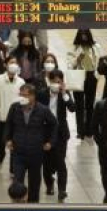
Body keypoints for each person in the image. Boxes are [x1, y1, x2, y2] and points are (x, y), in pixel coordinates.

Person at [4, 83, 57, 203]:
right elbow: (8, 125)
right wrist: (7, 140)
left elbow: (54, 124)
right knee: (17, 182)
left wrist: (50, 142)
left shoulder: (42, 110)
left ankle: (33, 208)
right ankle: (17, 206)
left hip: (36, 153)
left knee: (34, 183)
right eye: (21, 95)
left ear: (33, 96)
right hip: (18, 152)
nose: (22, 97)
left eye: (25, 95)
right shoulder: (15, 107)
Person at [38, 69, 74, 200]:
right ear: (50, 81)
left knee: (60, 162)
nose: (56, 84)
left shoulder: (64, 94)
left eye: (59, 82)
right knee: (47, 163)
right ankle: (49, 185)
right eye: (54, 81)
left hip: (60, 133)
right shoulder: (42, 94)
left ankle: (62, 190)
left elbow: (72, 108)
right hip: (46, 132)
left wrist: (64, 94)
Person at [0, 56, 25, 167]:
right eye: (11, 62)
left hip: (16, 120)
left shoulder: (21, 82)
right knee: (0, 143)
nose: (13, 65)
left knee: (15, 145)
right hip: (1, 118)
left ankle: (14, 168)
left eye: (15, 63)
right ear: (5, 65)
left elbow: (24, 98)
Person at [71, 29, 100, 140]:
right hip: (78, 75)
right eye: (81, 35)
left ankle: (89, 130)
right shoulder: (75, 48)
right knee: (79, 105)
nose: (83, 37)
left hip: (91, 76)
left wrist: (96, 75)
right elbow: (70, 64)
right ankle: (80, 131)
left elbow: (99, 61)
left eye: (85, 34)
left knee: (89, 104)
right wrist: (78, 59)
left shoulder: (95, 47)